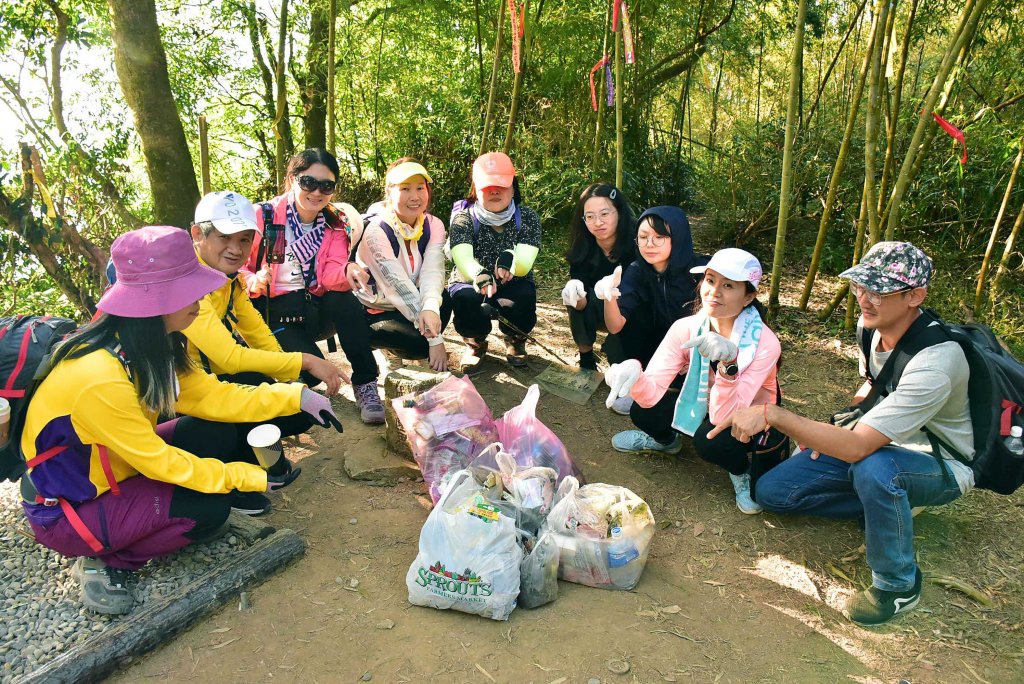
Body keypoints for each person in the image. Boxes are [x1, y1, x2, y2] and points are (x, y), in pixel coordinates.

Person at [19, 226, 341, 615]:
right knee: (207, 512)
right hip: (69, 504)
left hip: (116, 467)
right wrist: (250, 477)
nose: (203, 297)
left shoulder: (159, 343)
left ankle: (132, 524)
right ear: (155, 300)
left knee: (215, 429)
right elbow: (159, 461)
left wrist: (295, 397)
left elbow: (211, 396)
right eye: (191, 288)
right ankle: (106, 558)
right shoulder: (99, 376)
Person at [713, 242, 972, 626]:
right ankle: (885, 507)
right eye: (860, 287)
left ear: (915, 296)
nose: (864, 299)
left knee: (878, 470)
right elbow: (872, 384)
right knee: (771, 492)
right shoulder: (871, 328)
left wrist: (774, 414)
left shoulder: (936, 362)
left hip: (937, 461)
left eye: (879, 291)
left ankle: (897, 584)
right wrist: (841, 425)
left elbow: (858, 448)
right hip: (876, 439)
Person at [604, 249, 786, 514]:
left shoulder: (765, 344)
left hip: (747, 410)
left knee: (710, 439)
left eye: (728, 285)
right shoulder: (686, 327)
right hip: (702, 396)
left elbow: (727, 414)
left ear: (748, 296)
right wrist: (635, 377)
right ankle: (666, 442)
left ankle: (741, 471)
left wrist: (729, 365)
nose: (714, 291)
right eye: (710, 280)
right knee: (642, 410)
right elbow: (652, 390)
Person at [187, 191, 346, 484]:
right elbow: (229, 359)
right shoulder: (187, 282)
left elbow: (257, 332)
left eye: (245, 239)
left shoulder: (228, 280)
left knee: (294, 406)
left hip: (206, 384)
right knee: (252, 391)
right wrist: (307, 362)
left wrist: (290, 381)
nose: (236, 249)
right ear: (198, 234)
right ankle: (238, 468)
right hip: (177, 396)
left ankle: (256, 461)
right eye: (225, 237)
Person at [239, 148, 385, 425]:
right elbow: (235, 267)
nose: (317, 192)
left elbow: (331, 273)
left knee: (345, 301)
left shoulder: (334, 224)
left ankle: (366, 383)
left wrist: (348, 269)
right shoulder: (263, 217)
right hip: (274, 310)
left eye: (326, 186)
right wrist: (253, 281)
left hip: (314, 306)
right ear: (292, 179)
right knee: (309, 374)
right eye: (309, 183)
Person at [595, 206, 705, 414]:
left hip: (700, 347)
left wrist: (693, 354)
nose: (649, 244)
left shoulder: (700, 271)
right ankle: (645, 385)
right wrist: (609, 297)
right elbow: (615, 326)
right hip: (662, 346)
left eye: (659, 237)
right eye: (643, 237)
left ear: (677, 237)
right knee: (623, 333)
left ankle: (679, 393)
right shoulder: (638, 270)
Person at [351, 158, 452, 371]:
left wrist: (431, 309)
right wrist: (435, 340)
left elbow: (433, 271)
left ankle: (412, 338)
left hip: (411, 299)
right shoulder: (376, 231)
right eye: (405, 189)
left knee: (445, 300)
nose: (414, 197)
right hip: (378, 309)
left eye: (420, 188)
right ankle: (387, 349)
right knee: (421, 345)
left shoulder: (433, 225)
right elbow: (397, 286)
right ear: (389, 192)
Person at [448, 152, 542, 369]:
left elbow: (525, 259)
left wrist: (511, 261)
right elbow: (462, 255)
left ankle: (515, 339)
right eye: (487, 186)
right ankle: (475, 342)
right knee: (465, 299)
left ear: (513, 186)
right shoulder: (463, 218)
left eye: (501, 184)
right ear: (475, 188)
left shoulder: (527, 217)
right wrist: (478, 273)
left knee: (523, 298)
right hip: (472, 283)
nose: (494, 191)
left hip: (513, 282)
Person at [561, 182, 636, 371]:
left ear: (619, 212)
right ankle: (586, 356)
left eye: (605, 214)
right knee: (576, 295)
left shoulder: (637, 242)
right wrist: (574, 296)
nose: (598, 222)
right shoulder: (582, 247)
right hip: (598, 306)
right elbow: (583, 304)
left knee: (621, 363)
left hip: (633, 311)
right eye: (590, 216)